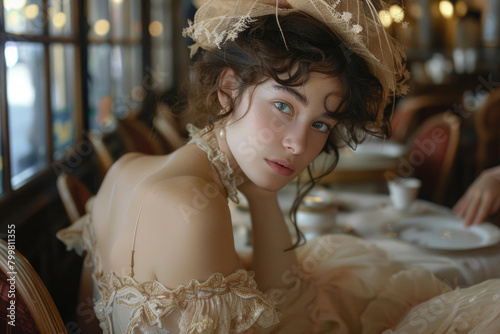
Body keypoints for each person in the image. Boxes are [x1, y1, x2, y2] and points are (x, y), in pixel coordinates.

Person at [57, 0, 500, 333]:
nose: (298, 144)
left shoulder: (127, 167)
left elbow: (280, 292)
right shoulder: (195, 207)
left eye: (321, 123)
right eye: (284, 105)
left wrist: (262, 190)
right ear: (228, 89)